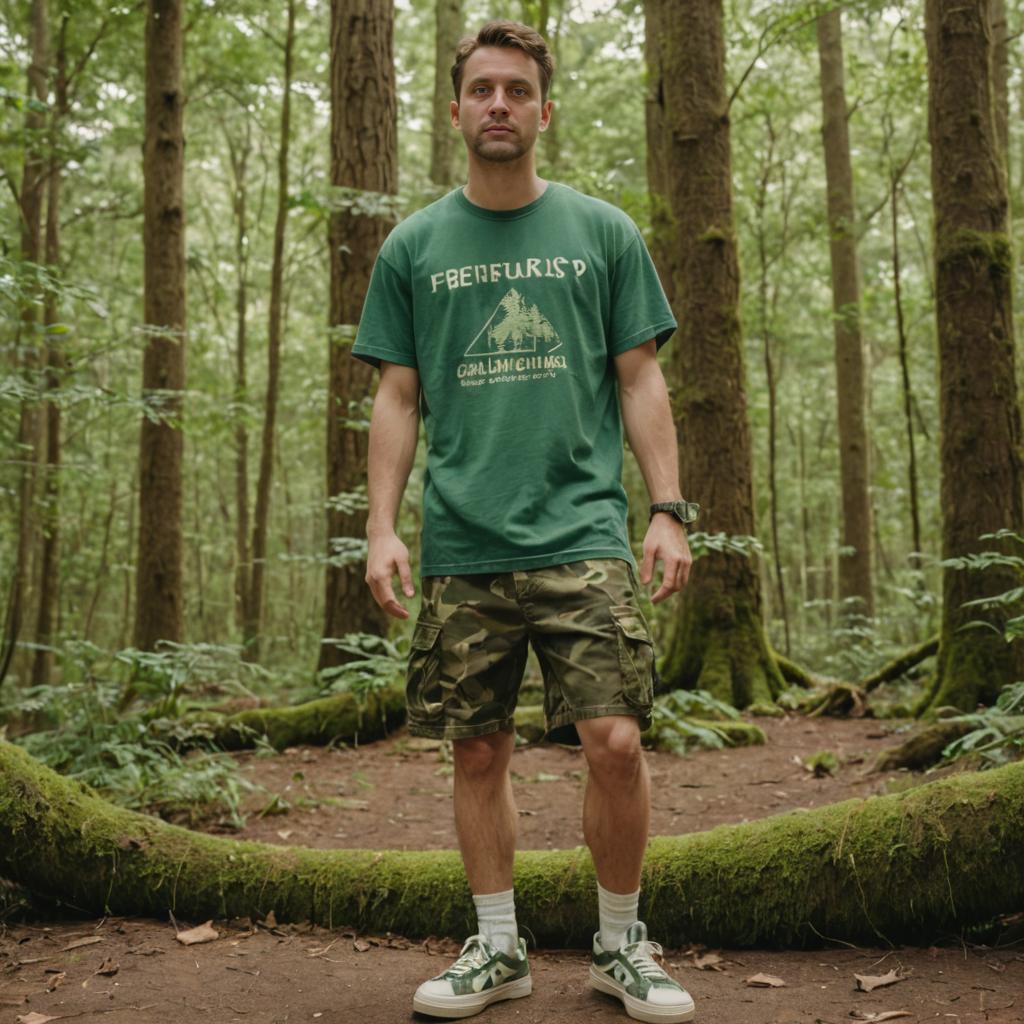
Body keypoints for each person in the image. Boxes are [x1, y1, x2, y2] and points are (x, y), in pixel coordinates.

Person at [352, 18, 698, 1023]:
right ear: (455, 109)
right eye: (481, 90)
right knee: (476, 749)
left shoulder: (600, 232)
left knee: (616, 739)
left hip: (583, 531)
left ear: (544, 111)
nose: (497, 104)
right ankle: (496, 949)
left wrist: (667, 508)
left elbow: (641, 380)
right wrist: (381, 526)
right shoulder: (414, 246)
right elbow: (397, 398)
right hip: (462, 539)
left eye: (515, 90)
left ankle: (621, 944)